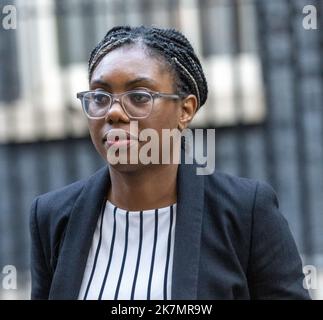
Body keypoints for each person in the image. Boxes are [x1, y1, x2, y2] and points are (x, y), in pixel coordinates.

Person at [30, 25, 310, 300]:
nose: (114, 112)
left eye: (139, 96)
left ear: (185, 110)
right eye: (101, 97)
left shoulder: (244, 212)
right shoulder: (53, 216)